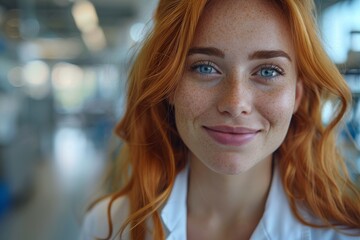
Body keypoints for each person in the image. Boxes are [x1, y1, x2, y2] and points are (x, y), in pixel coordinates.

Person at [80, 0, 360, 239]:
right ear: (169, 87)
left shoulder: (343, 233)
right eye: (205, 67)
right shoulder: (107, 226)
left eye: (268, 72)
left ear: (296, 95)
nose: (235, 104)